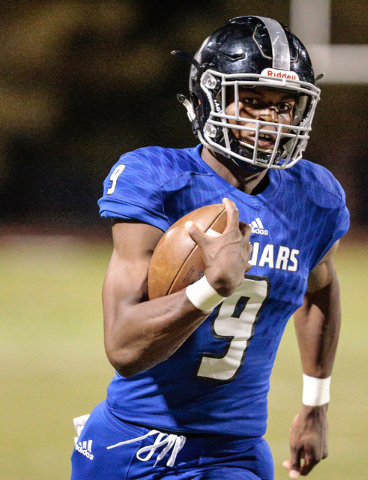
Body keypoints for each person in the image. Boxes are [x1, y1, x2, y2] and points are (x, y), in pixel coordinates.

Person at [71, 15, 349, 480]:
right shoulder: (160, 180)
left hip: (235, 452)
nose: (270, 120)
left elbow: (320, 288)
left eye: (285, 106)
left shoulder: (312, 197)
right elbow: (122, 346)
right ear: (207, 98)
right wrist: (211, 287)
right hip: (131, 443)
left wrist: (315, 404)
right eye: (254, 102)